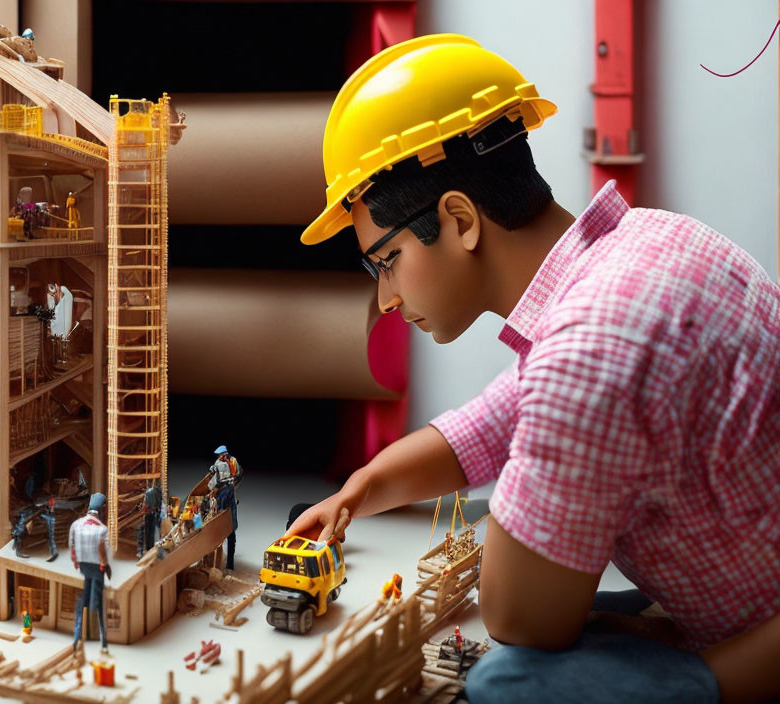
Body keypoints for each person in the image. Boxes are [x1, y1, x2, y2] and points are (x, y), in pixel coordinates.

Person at [286, 34, 780, 704]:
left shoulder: (585, 347)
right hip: (747, 583)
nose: (387, 299)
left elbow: (519, 616)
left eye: (387, 260)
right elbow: (487, 426)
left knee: (508, 682)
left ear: (459, 218)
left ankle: (707, 677)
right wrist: (359, 490)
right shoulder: (645, 247)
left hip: (759, 634)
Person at [69, 493, 111, 654]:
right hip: (96, 567)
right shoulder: (101, 529)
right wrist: (104, 564)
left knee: (84, 598)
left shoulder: (76, 525)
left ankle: (76, 637)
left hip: (83, 566)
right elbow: (102, 550)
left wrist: (77, 562)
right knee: (99, 603)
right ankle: (103, 642)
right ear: (101, 510)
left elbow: (72, 548)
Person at [208, 446, 242, 570]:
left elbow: (237, 474)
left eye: (221, 455)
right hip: (221, 491)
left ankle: (230, 563)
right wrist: (211, 488)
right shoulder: (218, 463)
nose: (219, 457)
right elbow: (214, 479)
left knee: (231, 531)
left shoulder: (232, 461)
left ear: (225, 454)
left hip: (229, 491)